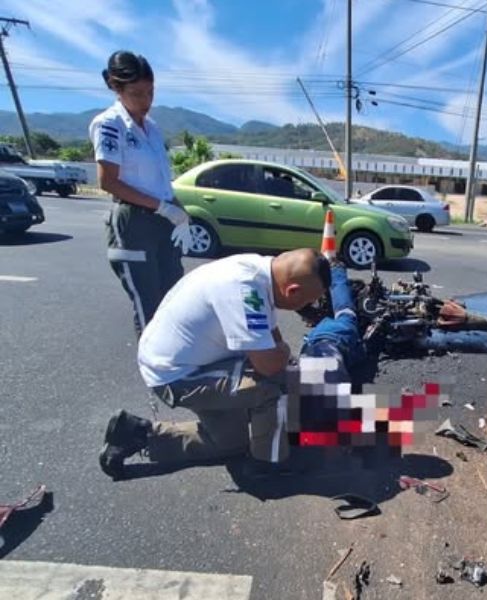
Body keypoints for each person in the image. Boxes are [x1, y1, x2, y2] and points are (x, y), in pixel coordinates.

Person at [98, 248, 330, 480]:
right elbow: (269, 365)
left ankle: (137, 434)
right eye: (309, 301)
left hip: (191, 359)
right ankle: (267, 462)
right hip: (178, 375)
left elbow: (270, 335)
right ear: (293, 291)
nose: (309, 307)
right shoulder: (245, 291)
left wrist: (281, 355)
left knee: (230, 444)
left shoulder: (259, 270)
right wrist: (285, 353)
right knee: (271, 388)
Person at [89, 50, 192, 337]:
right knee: (148, 303)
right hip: (134, 221)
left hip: (162, 218)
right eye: (136, 93)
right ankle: (156, 373)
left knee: (173, 297)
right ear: (115, 87)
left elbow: (160, 181)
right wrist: (162, 207)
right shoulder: (110, 124)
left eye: (150, 92)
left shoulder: (154, 129)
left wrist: (179, 211)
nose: (146, 101)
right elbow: (108, 181)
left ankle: (176, 365)